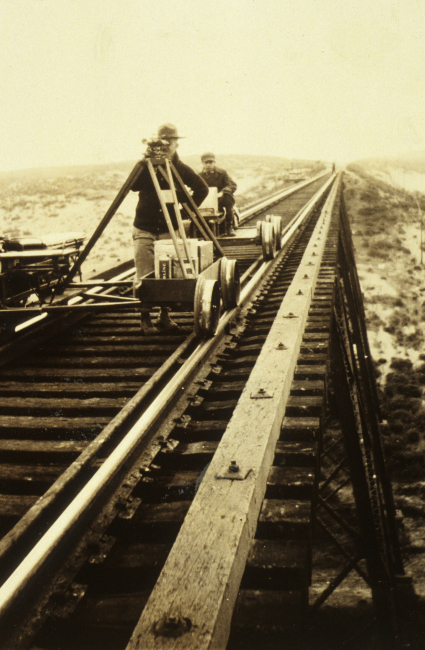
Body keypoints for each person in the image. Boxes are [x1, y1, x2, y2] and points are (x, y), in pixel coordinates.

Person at [131, 123, 209, 334]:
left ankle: (164, 317)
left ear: (176, 144)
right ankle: (145, 319)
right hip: (144, 228)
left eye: (170, 143)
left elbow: (202, 189)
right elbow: (133, 186)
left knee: (167, 276)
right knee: (145, 276)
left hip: (168, 229)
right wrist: (145, 161)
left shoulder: (180, 169)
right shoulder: (146, 165)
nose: (165, 147)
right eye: (161, 143)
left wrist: (183, 212)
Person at [199, 152, 237, 236]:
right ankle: (200, 227)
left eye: (211, 162)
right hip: (205, 200)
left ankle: (229, 226)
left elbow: (232, 185)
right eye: (206, 163)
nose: (208, 165)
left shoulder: (222, 173)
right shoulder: (199, 175)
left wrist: (222, 192)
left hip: (220, 199)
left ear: (214, 162)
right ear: (202, 163)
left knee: (228, 198)